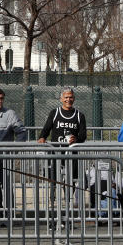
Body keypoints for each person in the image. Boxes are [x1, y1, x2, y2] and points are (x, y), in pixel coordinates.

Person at [37, 89, 87, 232]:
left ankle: (66, 219)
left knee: (69, 189)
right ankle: (54, 219)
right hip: (55, 155)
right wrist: (42, 138)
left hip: (71, 157)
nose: (68, 100)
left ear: (74, 98)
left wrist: (75, 139)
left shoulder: (79, 115)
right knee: (53, 187)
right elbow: (46, 129)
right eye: (66, 97)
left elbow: (83, 135)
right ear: (61, 99)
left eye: (71, 97)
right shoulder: (54, 113)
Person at [0, 88, 27, 217]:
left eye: (1, 98)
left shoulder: (10, 114)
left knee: (7, 185)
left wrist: (14, 151)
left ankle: (10, 211)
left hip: (5, 158)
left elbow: (21, 132)